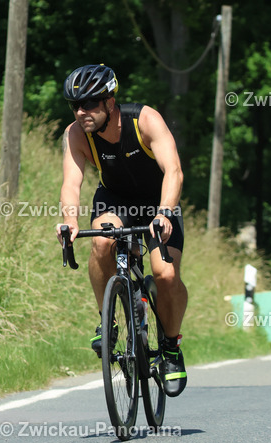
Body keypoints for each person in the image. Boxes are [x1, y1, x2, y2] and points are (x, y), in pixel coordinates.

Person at [56, 63, 188, 396]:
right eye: (76, 105)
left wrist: (165, 213)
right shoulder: (76, 134)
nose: (81, 112)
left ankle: (170, 347)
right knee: (102, 242)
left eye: (89, 104)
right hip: (115, 201)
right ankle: (107, 322)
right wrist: (70, 222)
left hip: (158, 200)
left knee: (166, 276)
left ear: (110, 102)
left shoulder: (144, 120)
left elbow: (173, 170)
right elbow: (72, 184)